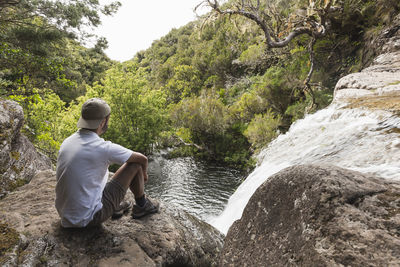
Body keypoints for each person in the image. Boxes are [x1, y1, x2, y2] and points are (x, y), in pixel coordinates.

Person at [55, 98, 159, 228]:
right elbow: (142, 159)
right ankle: (142, 205)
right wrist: (144, 175)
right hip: (89, 219)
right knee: (134, 164)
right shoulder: (102, 147)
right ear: (103, 122)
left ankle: (114, 207)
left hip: (66, 215)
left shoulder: (68, 141)